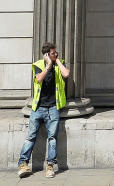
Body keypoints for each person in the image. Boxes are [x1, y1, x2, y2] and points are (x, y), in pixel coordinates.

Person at [18, 42, 70, 179]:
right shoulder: (38, 65)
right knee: (30, 137)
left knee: (52, 137)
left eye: (56, 52)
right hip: (38, 107)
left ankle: (50, 166)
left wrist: (57, 61)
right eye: (53, 53)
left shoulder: (60, 63)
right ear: (46, 54)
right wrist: (48, 65)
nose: (56, 54)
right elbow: (39, 79)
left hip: (53, 107)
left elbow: (66, 74)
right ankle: (23, 164)